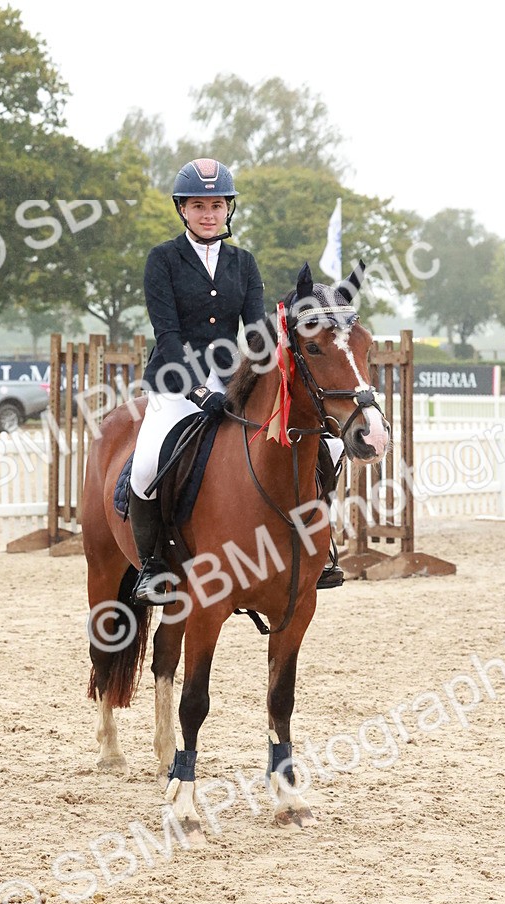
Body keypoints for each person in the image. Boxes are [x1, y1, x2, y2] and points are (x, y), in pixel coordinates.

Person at [129, 157, 344, 604]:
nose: (208, 214)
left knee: (322, 446)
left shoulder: (243, 263)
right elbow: (167, 335)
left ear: (228, 208)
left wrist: (279, 359)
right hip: (174, 383)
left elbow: (257, 332)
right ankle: (153, 565)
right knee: (148, 466)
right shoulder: (162, 260)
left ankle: (319, 547)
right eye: (198, 205)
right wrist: (197, 390)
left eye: (216, 205)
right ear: (182, 209)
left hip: (231, 381)